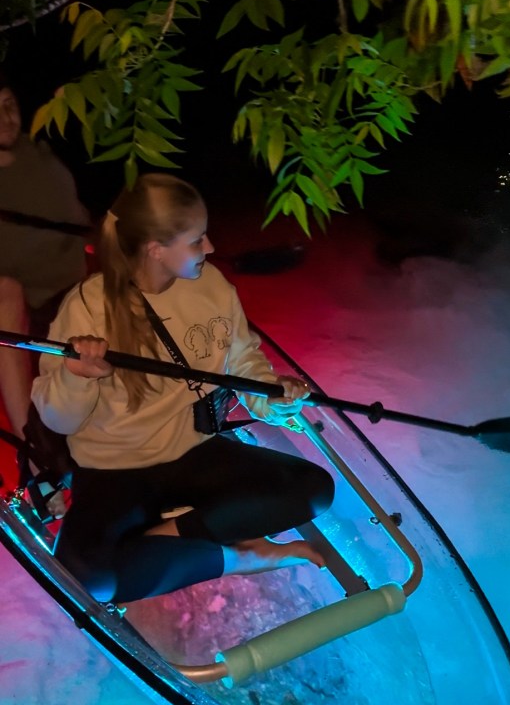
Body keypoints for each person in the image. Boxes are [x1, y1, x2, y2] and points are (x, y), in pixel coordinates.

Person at [31, 173, 335, 604]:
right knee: (87, 581)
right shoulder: (87, 304)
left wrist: (271, 396)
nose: (209, 249)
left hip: (195, 451)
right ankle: (241, 555)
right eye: (196, 241)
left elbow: (243, 360)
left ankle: (170, 537)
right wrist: (77, 376)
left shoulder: (212, 286)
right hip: (115, 469)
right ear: (156, 249)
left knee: (312, 488)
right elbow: (56, 417)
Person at [0, 69, 90, 439]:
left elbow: (77, 219)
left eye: (9, 106)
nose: (5, 119)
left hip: (73, 288)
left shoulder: (38, 155)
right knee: (5, 293)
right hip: (21, 303)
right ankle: (32, 448)